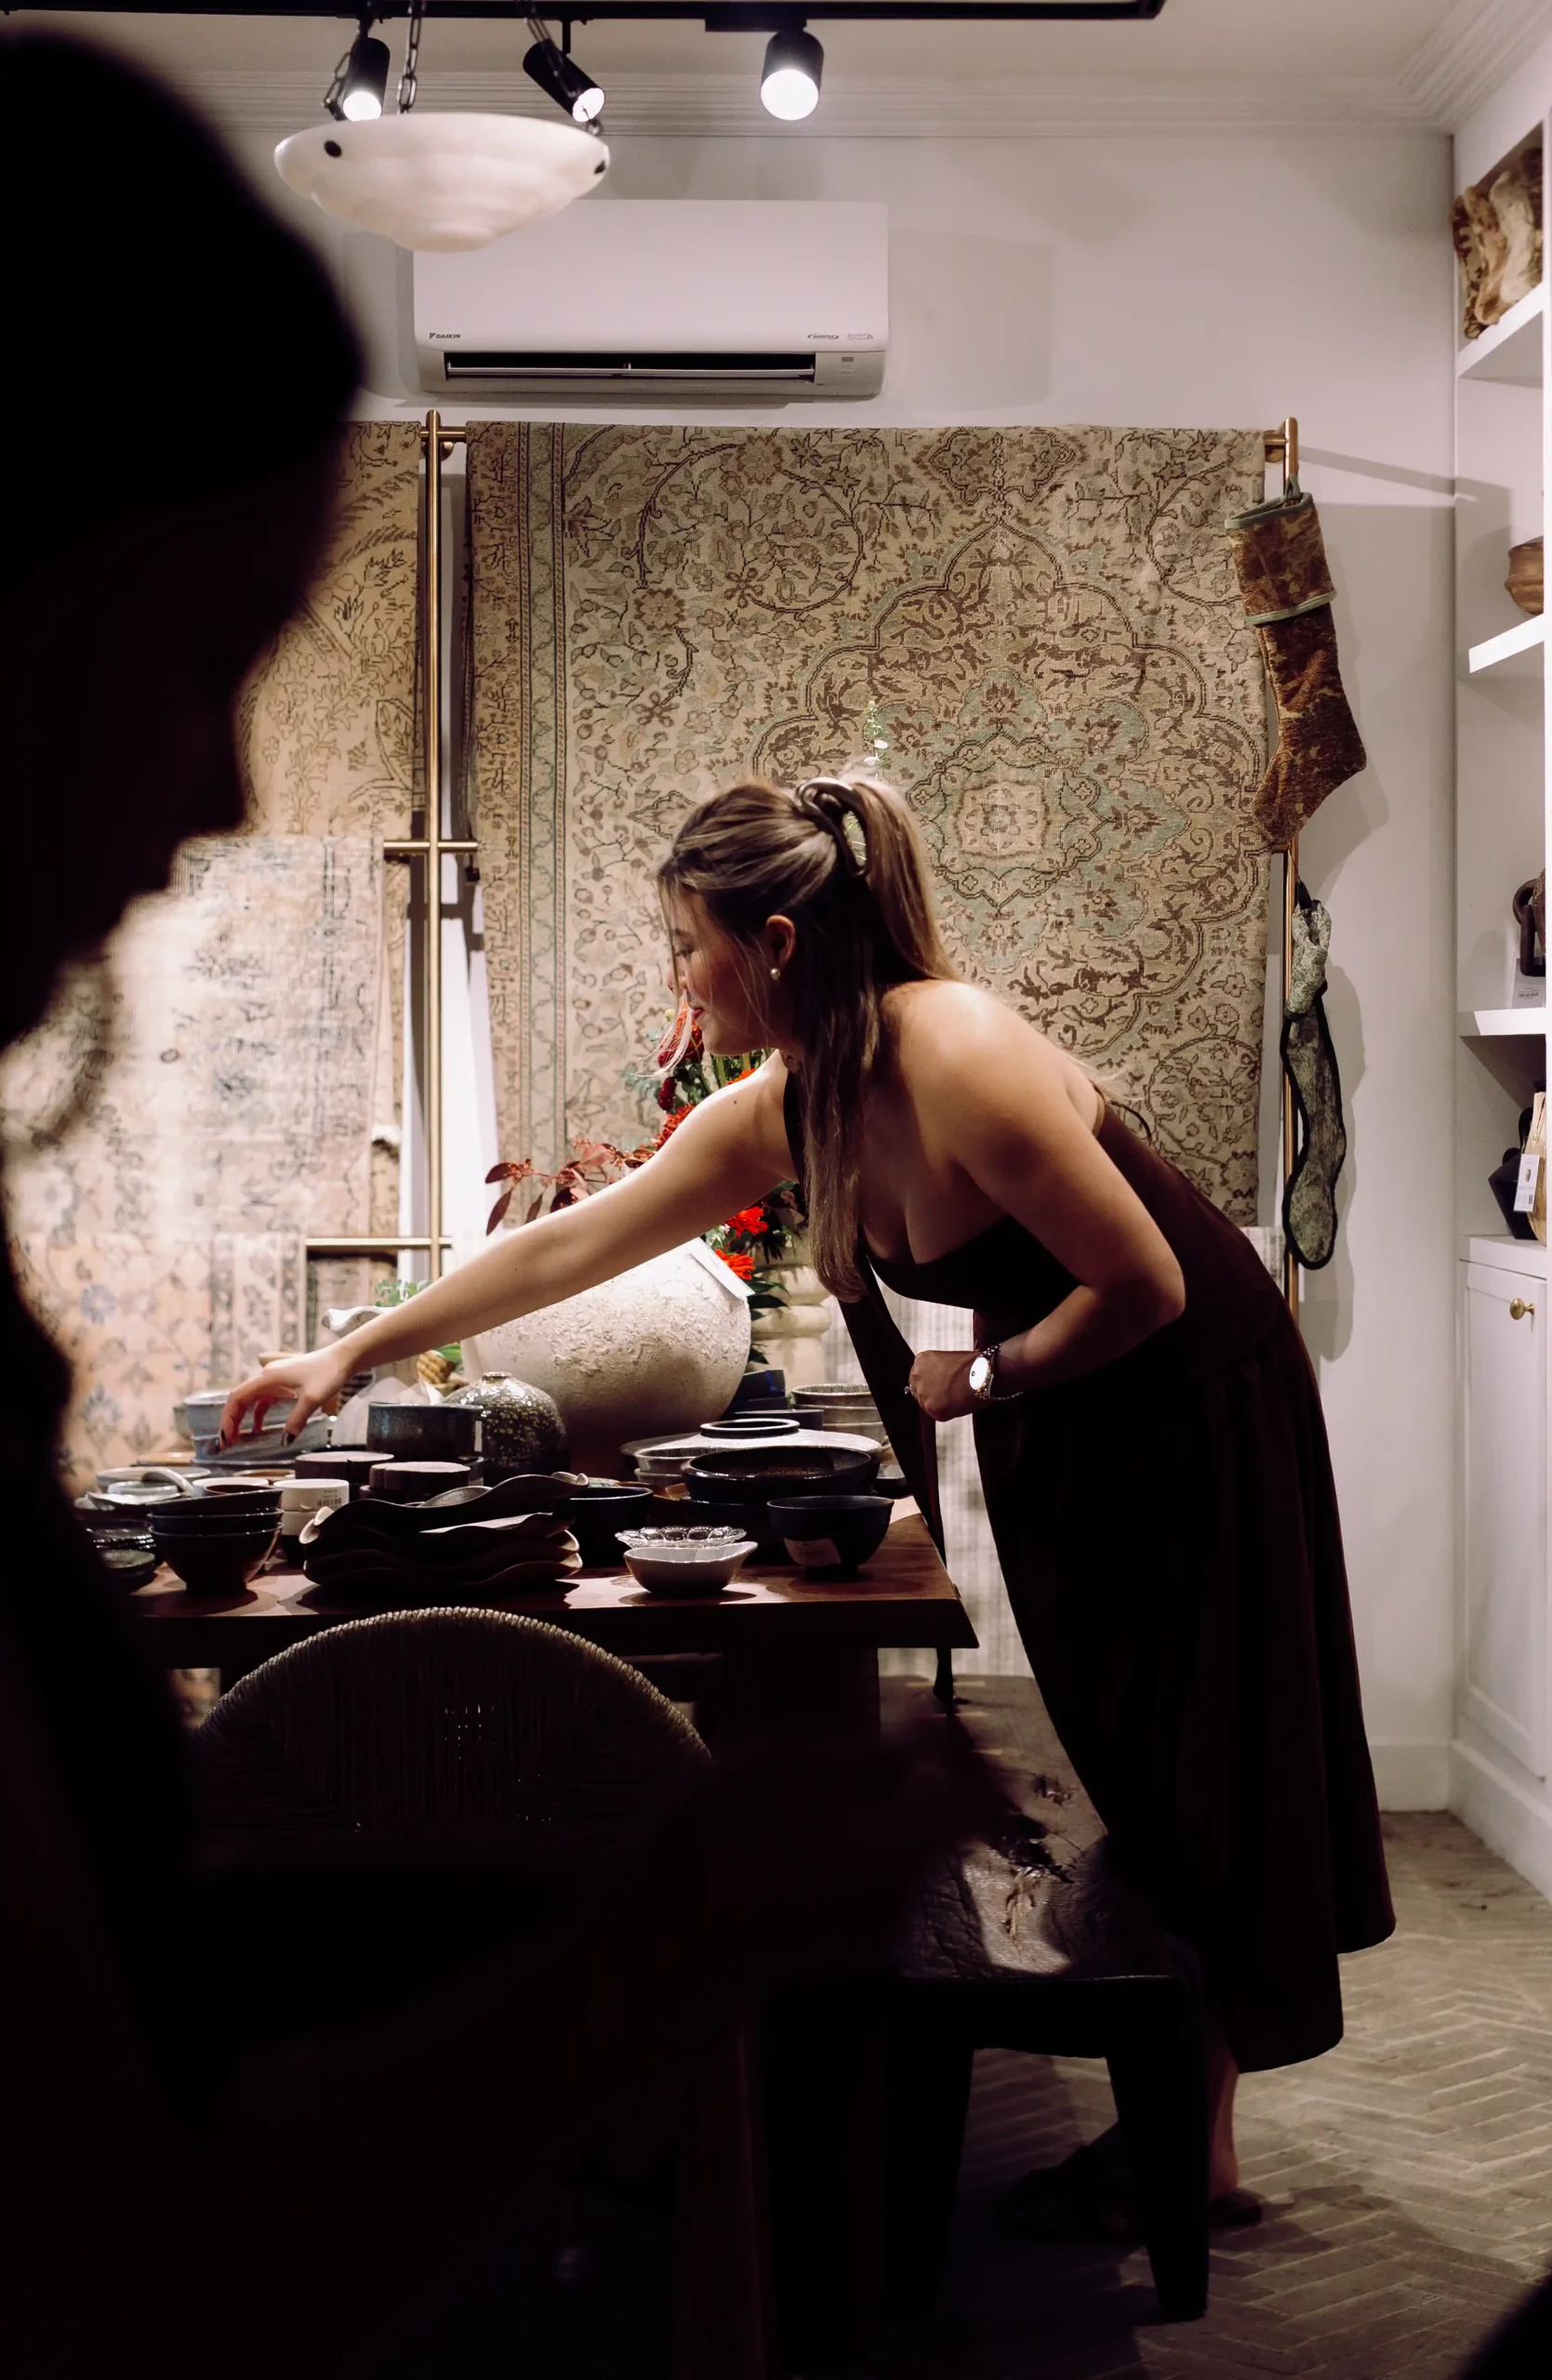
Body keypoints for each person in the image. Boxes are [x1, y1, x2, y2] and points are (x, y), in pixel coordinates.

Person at [0, 36, 996, 2377]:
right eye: (195, 655)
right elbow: (119, 2231)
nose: (220, 786)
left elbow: (127, 1996)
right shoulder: (768, 1095)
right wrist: (657, 1940)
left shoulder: (904, 1051)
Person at [228, 772, 1398, 2229]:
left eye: (687, 945)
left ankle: (1194, 2146)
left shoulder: (958, 1053)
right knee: (1131, 1749)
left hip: (1193, 1407)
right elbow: (567, 1249)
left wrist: (994, 1374)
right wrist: (349, 1353)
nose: (676, 980)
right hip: (1070, 1418)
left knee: (1207, 1758)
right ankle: (1179, 2125)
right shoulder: (794, 1102)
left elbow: (1147, 1283)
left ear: (775, 943)